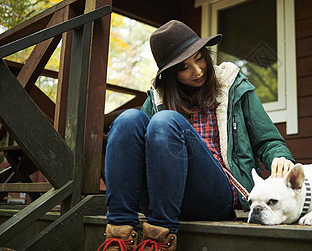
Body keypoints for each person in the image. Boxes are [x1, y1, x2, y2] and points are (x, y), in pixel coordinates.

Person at [99, 20, 295, 251]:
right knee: (126, 120)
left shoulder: (234, 87)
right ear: (172, 74)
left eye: (199, 57)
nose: (198, 70)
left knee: (166, 121)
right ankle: (119, 234)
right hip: (162, 193)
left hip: (216, 196)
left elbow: (268, 140)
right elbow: (132, 151)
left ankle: (161, 239)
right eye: (184, 67)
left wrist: (279, 157)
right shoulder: (157, 100)